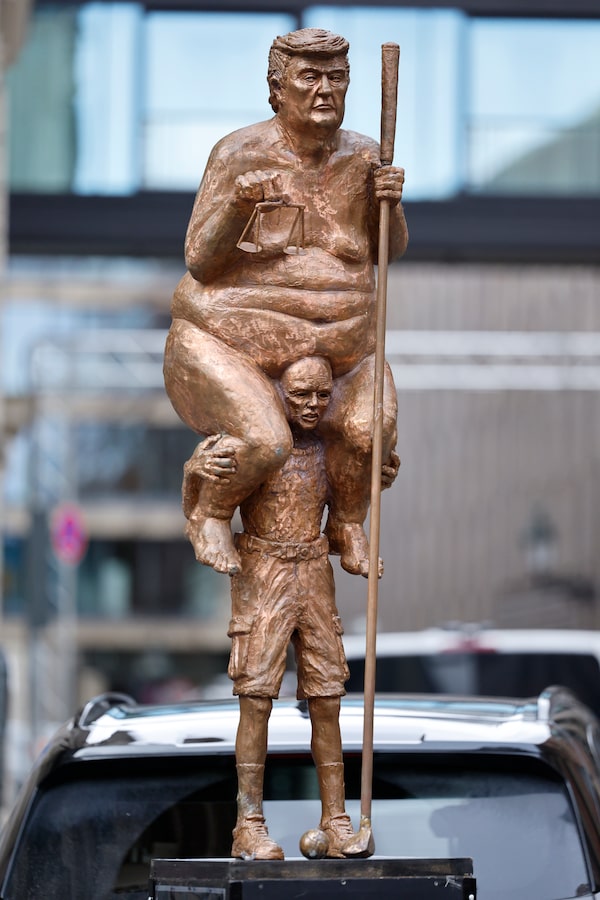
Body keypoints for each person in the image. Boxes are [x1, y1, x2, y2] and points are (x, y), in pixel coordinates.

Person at [164, 27, 407, 579]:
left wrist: (389, 204)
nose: (326, 90)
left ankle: (347, 522)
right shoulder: (239, 153)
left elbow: (388, 251)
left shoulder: (365, 158)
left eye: (337, 78)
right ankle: (210, 512)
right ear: (277, 89)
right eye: (310, 77)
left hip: (344, 353)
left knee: (371, 430)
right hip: (231, 345)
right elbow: (199, 260)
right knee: (265, 441)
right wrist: (238, 205)